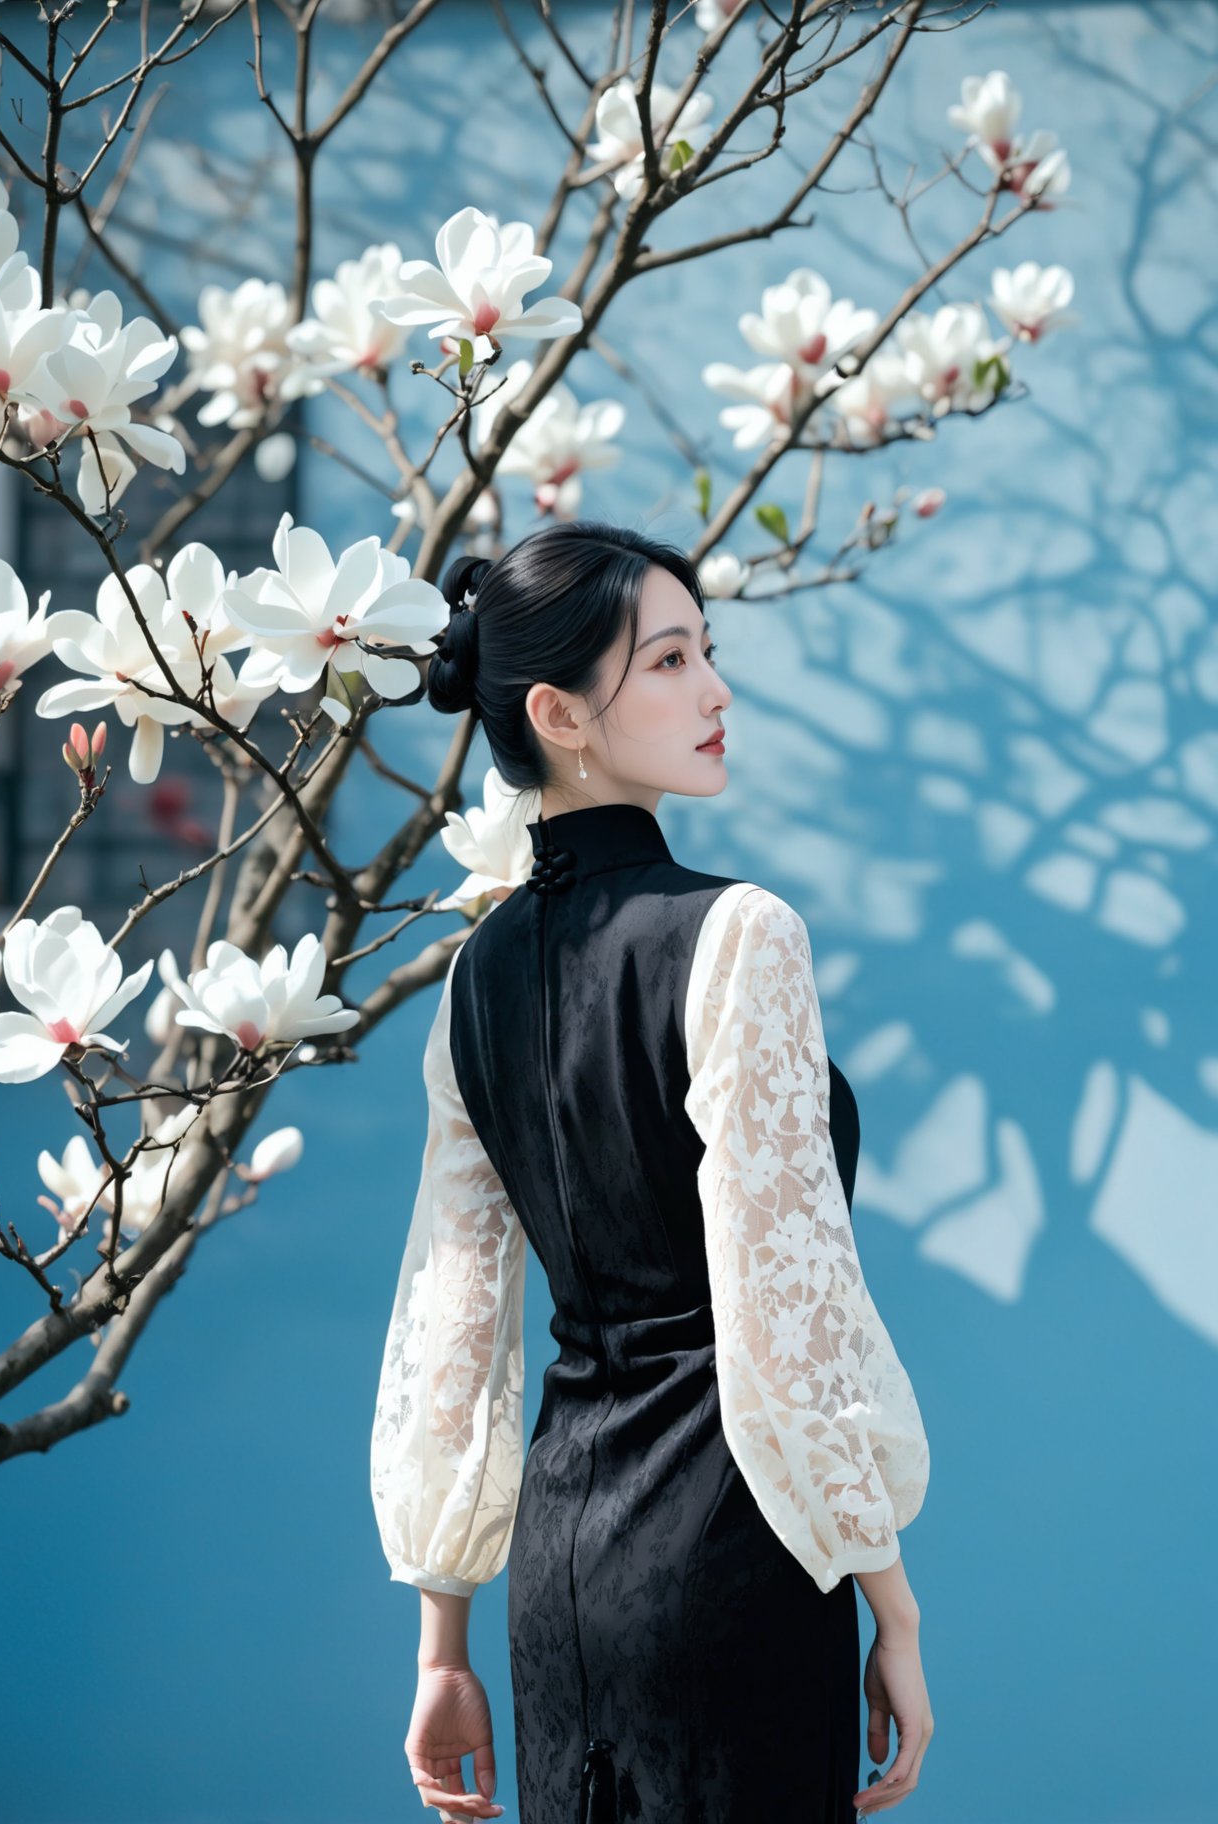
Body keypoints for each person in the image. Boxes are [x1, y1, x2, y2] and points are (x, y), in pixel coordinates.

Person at [369, 520, 934, 1824]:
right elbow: (787, 1307)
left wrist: (442, 1648)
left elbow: (453, 1320)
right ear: (560, 712)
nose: (717, 689)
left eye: (707, 652)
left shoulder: (476, 977)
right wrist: (887, 1603)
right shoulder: (739, 934)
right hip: (731, 1563)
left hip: (558, 1585)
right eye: (671, 659)